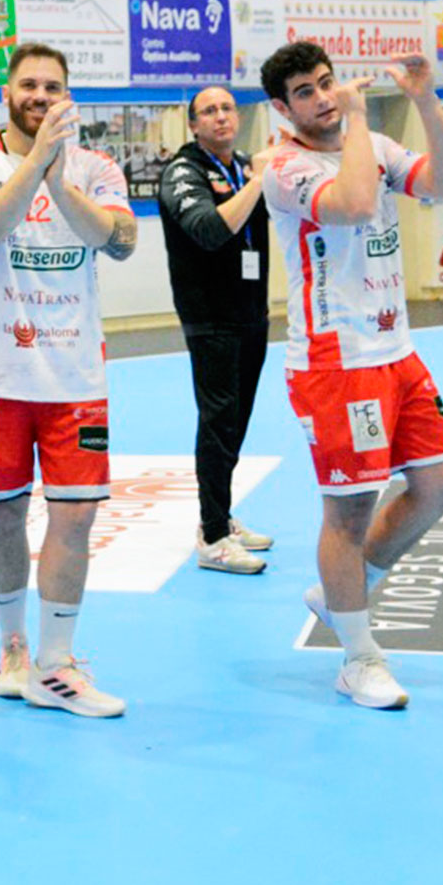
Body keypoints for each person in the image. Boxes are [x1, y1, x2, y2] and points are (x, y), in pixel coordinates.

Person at [0, 42, 138, 719]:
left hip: (75, 372)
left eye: (53, 85)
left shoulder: (97, 166)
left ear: (68, 94)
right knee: (4, 518)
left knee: (77, 515)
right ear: (7, 94)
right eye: (29, 84)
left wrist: (57, 177)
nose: (41, 95)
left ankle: (56, 664)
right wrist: (34, 164)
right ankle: (13, 646)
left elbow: (119, 238)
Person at [259, 42, 443, 710]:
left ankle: (352, 581)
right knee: (346, 514)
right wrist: (359, 119)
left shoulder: (367, 141)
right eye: (306, 92)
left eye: (326, 83)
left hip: (395, 348)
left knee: (441, 483)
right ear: (282, 109)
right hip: (335, 363)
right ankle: (358, 658)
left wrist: (425, 101)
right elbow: (350, 203)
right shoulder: (284, 167)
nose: (322, 96)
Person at [157, 85, 274, 575]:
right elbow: (208, 230)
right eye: (210, 111)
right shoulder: (182, 172)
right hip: (211, 317)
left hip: (252, 310)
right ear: (194, 124)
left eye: (228, 108)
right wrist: (259, 182)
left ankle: (220, 513)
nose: (222, 117)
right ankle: (213, 536)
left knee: (238, 422)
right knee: (218, 421)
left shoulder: (245, 163)